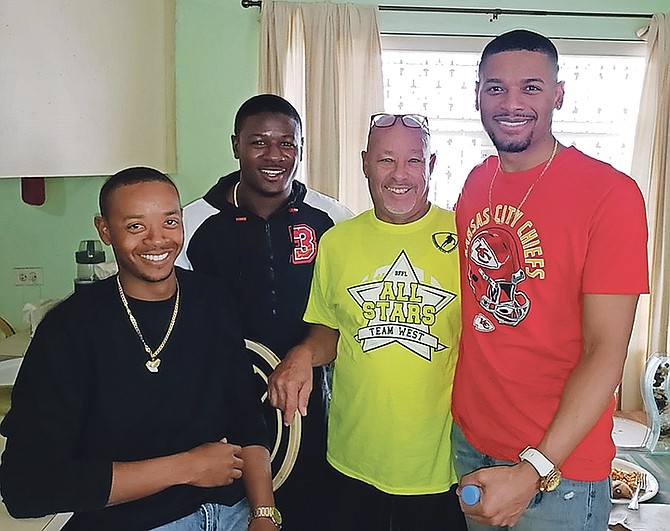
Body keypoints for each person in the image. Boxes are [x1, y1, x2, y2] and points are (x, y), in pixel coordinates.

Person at [0, 167, 280, 531]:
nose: (157, 240)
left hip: (232, 512)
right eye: (135, 226)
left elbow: (246, 420)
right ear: (104, 230)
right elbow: (26, 489)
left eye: (170, 222)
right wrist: (188, 467)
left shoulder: (213, 300)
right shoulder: (69, 330)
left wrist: (263, 514)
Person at [452, 29, 649, 530]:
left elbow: (606, 350)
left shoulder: (610, 194)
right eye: (495, 88)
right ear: (477, 94)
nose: (511, 102)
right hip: (469, 445)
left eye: (531, 88)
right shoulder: (477, 182)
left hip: (557, 470)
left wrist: (535, 466)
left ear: (558, 94)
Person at [268, 113, 467, 531]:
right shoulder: (337, 241)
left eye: (413, 161)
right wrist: (303, 353)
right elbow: (329, 328)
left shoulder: (464, 238)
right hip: (352, 460)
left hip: (441, 465)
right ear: (364, 163)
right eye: (385, 160)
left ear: (431, 164)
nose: (400, 174)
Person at [176, 94, 351, 531]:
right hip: (224, 410)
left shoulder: (333, 220)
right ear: (236, 145)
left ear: (301, 148)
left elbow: (345, 315)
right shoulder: (193, 224)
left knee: (315, 508)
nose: (275, 155)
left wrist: (305, 358)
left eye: (287, 144)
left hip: (313, 403)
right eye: (259, 142)